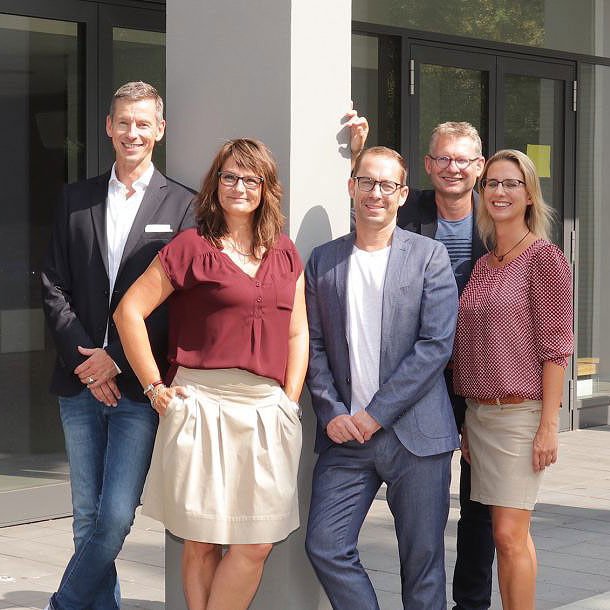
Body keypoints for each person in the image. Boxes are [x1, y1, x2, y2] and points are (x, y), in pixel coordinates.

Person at [113, 138, 308, 610]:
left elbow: (298, 332)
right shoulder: (190, 247)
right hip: (200, 405)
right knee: (200, 540)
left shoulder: (285, 253)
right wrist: (154, 387)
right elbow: (129, 312)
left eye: (250, 179)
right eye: (229, 176)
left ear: (266, 188)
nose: (239, 187)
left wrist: (289, 400)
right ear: (215, 184)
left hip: (265, 412)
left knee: (255, 544)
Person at [41, 82, 195, 610]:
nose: (133, 133)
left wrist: (119, 359)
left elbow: (178, 301)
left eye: (143, 123)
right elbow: (53, 284)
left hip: (137, 387)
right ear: (109, 127)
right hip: (80, 379)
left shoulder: (183, 206)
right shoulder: (75, 198)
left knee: (116, 516)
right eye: (124, 122)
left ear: (160, 130)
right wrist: (87, 361)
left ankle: (63, 603)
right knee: (87, 513)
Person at [349, 114, 494, 610]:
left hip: (480, 376)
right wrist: (355, 153)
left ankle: (470, 603)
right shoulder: (407, 210)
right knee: (422, 511)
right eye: (443, 158)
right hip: (419, 377)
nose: (453, 168)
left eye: (463, 160)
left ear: (479, 166)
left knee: (479, 503)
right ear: (429, 166)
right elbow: (364, 208)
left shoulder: (497, 219)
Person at [304, 145, 459, 609]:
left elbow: (435, 346)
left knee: (423, 563)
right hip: (346, 435)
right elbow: (312, 346)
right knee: (325, 544)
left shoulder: (429, 256)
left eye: (387, 185)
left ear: (402, 194)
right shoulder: (323, 260)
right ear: (352, 187)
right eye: (367, 182)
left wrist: (376, 413)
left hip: (416, 436)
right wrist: (332, 412)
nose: (376, 193)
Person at [452, 149, 573, 610]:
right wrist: (469, 420)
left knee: (507, 535)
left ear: (529, 195)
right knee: (512, 536)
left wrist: (548, 427)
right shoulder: (484, 264)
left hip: (519, 416)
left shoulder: (544, 259)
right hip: (481, 417)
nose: (499, 192)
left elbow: (557, 349)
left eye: (511, 184)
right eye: (493, 184)